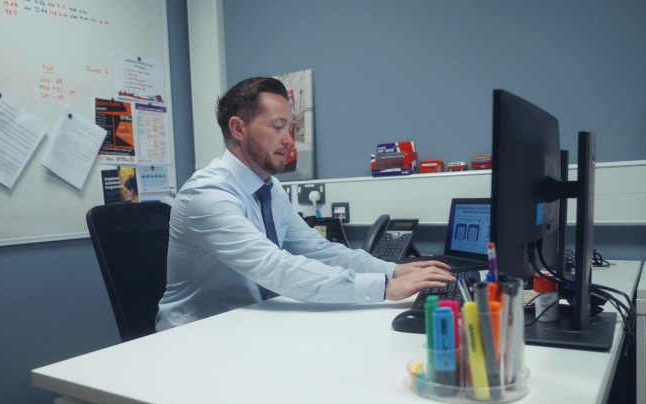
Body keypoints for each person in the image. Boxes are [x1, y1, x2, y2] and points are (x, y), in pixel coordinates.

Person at [155, 76, 454, 331]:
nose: (289, 140)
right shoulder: (207, 195)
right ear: (237, 128)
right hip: (195, 336)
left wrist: (392, 270)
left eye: (292, 128)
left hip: (247, 325)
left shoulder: (270, 189)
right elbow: (274, 266)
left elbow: (318, 250)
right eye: (277, 127)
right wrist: (384, 288)